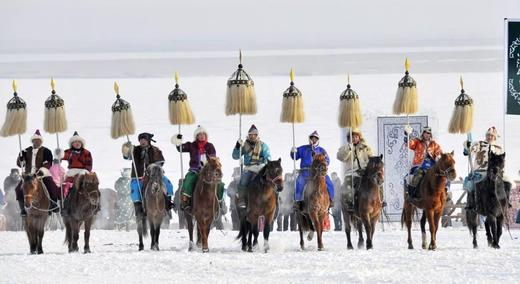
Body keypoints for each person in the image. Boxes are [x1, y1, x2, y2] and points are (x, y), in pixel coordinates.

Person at [122, 132, 174, 223]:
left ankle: (167, 205)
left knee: (168, 184)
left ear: (148, 141)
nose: (142, 142)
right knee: (135, 189)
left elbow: (161, 162)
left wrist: (154, 167)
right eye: (141, 140)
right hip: (139, 176)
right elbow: (127, 157)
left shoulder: (155, 150)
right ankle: (138, 209)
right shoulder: (134, 150)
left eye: (144, 140)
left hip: (154, 175)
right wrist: (126, 149)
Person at [172, 125, 225, 213]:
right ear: (196, 136)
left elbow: (213, 158)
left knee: (219, 184)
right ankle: (186, 200)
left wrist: (207, 163)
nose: (201, 136)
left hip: (208, 171)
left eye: (203, 134)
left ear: (206, 136)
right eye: (199, 134)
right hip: (195, 169)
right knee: (189, 179)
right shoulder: (192, 145)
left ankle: (219, 202)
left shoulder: (210, 146)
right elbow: (180, 148)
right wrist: (178, 141)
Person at [463, 127, 512, 210]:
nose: (489, 137)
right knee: (471, 184)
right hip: (480, 171)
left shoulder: (499, 148)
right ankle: (470, 203)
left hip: (495, 172)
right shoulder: (479, 144)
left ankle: (506, 201)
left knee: (508, 183)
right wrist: (467, 146)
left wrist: (501, 171)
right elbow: (469, 151)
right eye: (488, 135)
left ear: (495, 137)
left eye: (492, 136)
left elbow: (502, 161)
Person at [15, 130, 61, 216]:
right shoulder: (25, 151)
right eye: (35, 140)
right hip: (28, 175)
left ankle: (52, 204)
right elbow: (20, 164)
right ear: (32, 141)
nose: (37, 142)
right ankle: (22, 209)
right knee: (18, 189)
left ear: (41, 141)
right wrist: (20, 159)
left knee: (51, 185)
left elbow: (48, 163)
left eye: (38, 140)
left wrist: (41, 171)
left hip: (41, 174)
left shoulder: (46, 151)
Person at [337, 128, 385, 209]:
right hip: (352, 172)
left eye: (356, 137)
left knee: (378, 180)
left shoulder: (365, 147)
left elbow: (371, 157)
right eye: (353, 137)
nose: (355, 138)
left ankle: (380, 201)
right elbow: (341, 157)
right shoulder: (345, 148)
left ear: (359, 137)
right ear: (349, 138)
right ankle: (350, 202)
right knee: (348, 183)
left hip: (365, 171)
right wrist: (349, 148)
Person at [291, 131, 334, 210]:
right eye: (312, 138)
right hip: (305, 171)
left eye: (315, 138)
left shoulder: (322, 150)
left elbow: (327, 160)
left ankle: (331, 199)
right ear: (310, 139)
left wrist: (323, 165)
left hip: (318, 172)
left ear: (318, 140)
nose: (314, 140)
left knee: (329, 182)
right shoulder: (303, 148)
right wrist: (293, 152)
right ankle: (297, 201)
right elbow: (295, 157)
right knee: (299, 183)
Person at [232, 124, 271, 209]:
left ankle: (273, 198)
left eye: (254, 134)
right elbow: (235, 156)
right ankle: (242, 199)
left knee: (270, 180)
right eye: (251, 134)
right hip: (249, 168)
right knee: (244, 180)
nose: (252, 136)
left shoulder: (263, 145)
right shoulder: (244, 145)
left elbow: (268, 157)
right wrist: (238, 147)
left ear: (257, 135)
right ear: (248, 135)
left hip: (261, 167)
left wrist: (264, 162)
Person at [404, 126, 442, 201]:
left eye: (428, 133)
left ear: (430, 134)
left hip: (431, 167)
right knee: (418, 175)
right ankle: (412, 194)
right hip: (419, 166)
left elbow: (439, 152)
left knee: (441, 176)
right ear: (422, 133)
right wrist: (408, 135)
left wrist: (438, 157)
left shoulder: (434, 144)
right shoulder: (417, 142)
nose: (427, 134)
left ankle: (444, 192)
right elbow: (410, 144)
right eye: (425, 133)